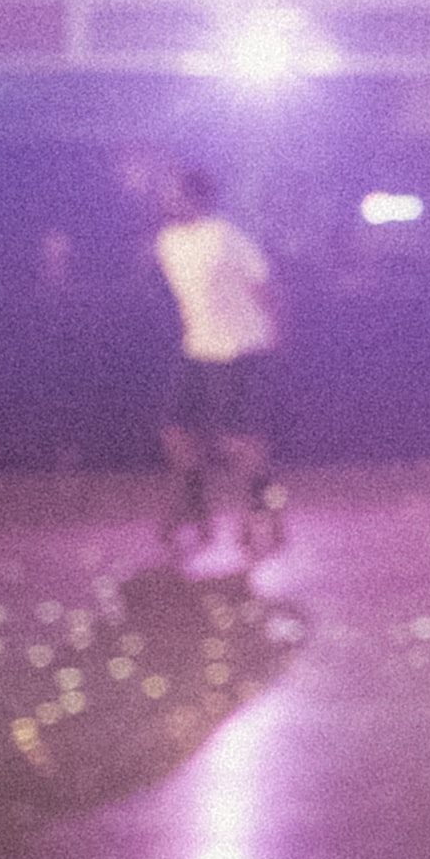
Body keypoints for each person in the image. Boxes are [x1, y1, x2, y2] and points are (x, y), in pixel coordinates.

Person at [147, 166, 284, 570]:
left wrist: (274, 336)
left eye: (173, 191)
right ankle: (196, 502)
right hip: (198, 349)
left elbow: (267, 288)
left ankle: (257, 509)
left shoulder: (227, 237)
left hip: (241, 349)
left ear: (196, 197)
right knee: (175, 432)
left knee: (239, 442)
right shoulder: (166, 241)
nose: (166, 198)